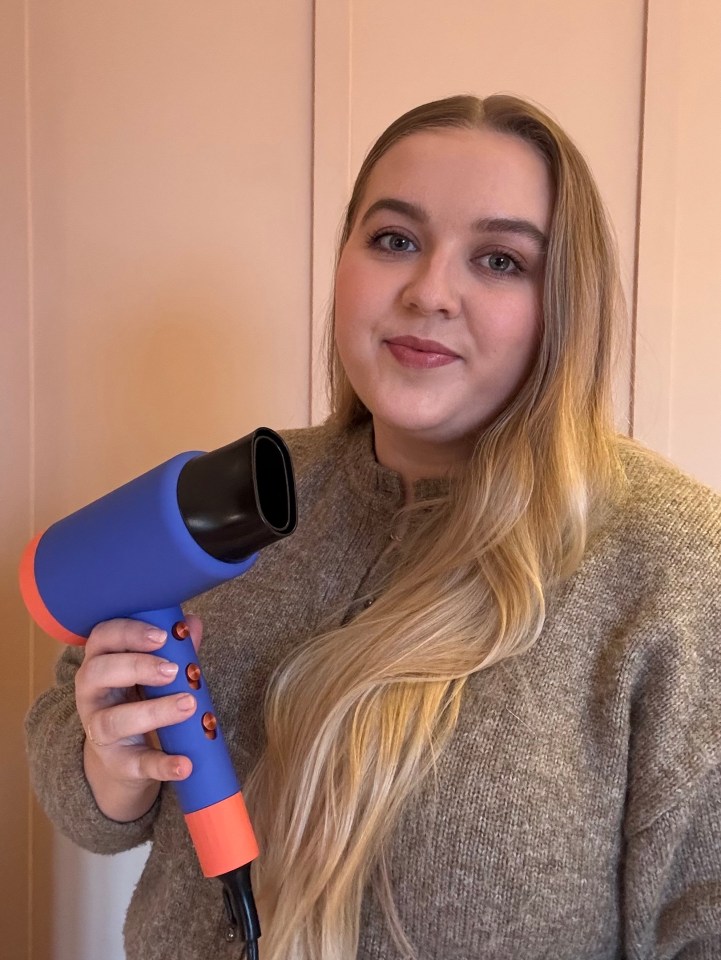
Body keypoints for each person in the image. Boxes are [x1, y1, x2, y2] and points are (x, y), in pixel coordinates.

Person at [26, 94, 721, 960]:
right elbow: (79, 781)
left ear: (564, 305)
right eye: (394, 239)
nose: (429, 292)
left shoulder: (671, 562)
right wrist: (108, 765)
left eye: (499, 260)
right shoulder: (240, 494)